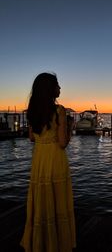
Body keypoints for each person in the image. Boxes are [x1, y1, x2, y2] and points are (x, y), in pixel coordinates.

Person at [20, 72, 76, 252]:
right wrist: (70, 128)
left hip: (39, 160)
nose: (60, 88)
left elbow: (31, 138)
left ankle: (39, 241)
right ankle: (58, 243)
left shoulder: (32, 111)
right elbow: (62, 143)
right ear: (50, 89)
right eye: (58, 85)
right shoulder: (59, 111)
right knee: (57, 198)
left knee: (42, 198)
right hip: (55, 159)